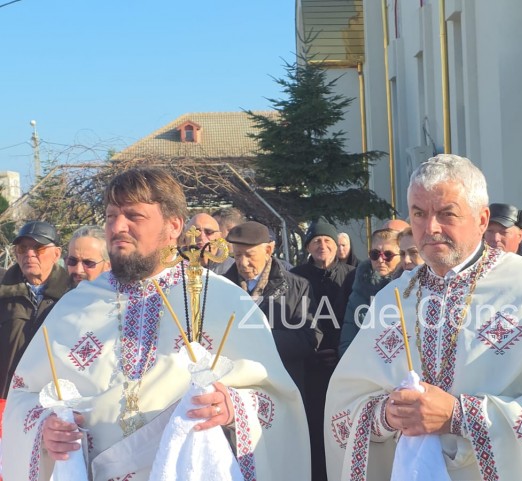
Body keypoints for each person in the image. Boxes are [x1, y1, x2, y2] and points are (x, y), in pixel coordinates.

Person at [1, 168, 310, 481]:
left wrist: (232, 408)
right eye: (111, 216)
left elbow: (277, 400)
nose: (118, 227)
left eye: (134, 216)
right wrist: (44, 427)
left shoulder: (224, 300)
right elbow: (23, 396)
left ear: (174, 225)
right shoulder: (73, 306)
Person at [325, 154, 522, 480]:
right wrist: (389, 414)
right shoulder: (392, 299)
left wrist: (458, 415)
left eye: (446, 213)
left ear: (482, 219)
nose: (431, 228)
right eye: (419, 214)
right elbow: (344, 408)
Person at [290, 217, 355, 481]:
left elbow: (354, 317)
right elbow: (296, 317)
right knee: (314, 425)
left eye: (328, 240)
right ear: (308, 247)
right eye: (317, 241)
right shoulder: (296, 277)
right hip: (310, 364)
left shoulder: (351, 274)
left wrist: (338, 351)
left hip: (342, 361)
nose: (323, 246)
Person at [222, 220, 316, 392]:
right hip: (236, 387)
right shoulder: (223, 287)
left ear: (268, 250)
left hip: (282, 384)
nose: (242, 263)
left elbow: (308, 339)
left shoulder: (298, 286)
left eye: (249, 255)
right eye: (237, 255)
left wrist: (259, 338)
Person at [0, 221, 72, 399]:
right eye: (22, 249)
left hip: (50, 398)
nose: (29, 254)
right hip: (6, 395)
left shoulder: (71, 296)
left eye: (38, 248)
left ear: (56, 254)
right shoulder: (3, 293)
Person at [338, 228, 401, 357]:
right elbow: (347, 342)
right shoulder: (358, 293)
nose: (380, 260)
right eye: (375, 254)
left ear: (402, 255)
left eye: (388, 254)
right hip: (366, 366)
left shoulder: (411, 289)